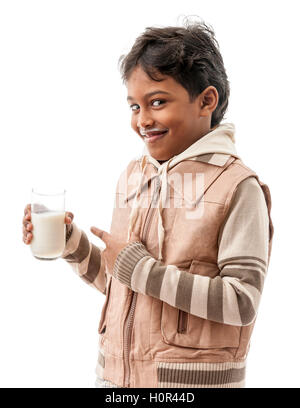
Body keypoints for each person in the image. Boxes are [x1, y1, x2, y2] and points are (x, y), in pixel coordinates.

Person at [22, 19, 274, 388]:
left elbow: (241, 302)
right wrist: (70, 244)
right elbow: (120, 282)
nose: (142, 120)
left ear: (206, 101)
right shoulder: (134, 176)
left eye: (157, 102)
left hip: (187, 386)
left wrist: (141, 270)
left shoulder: (238, 186)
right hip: (114, 380)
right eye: (134, 106)